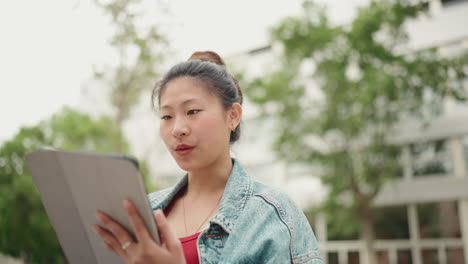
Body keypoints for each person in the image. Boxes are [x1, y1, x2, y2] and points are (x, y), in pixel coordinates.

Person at [92, 51, 323, 263]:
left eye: (192, 111)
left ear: (232, 116)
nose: (177, 129)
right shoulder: (144, 213)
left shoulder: (273, 215)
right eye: (166, 116)